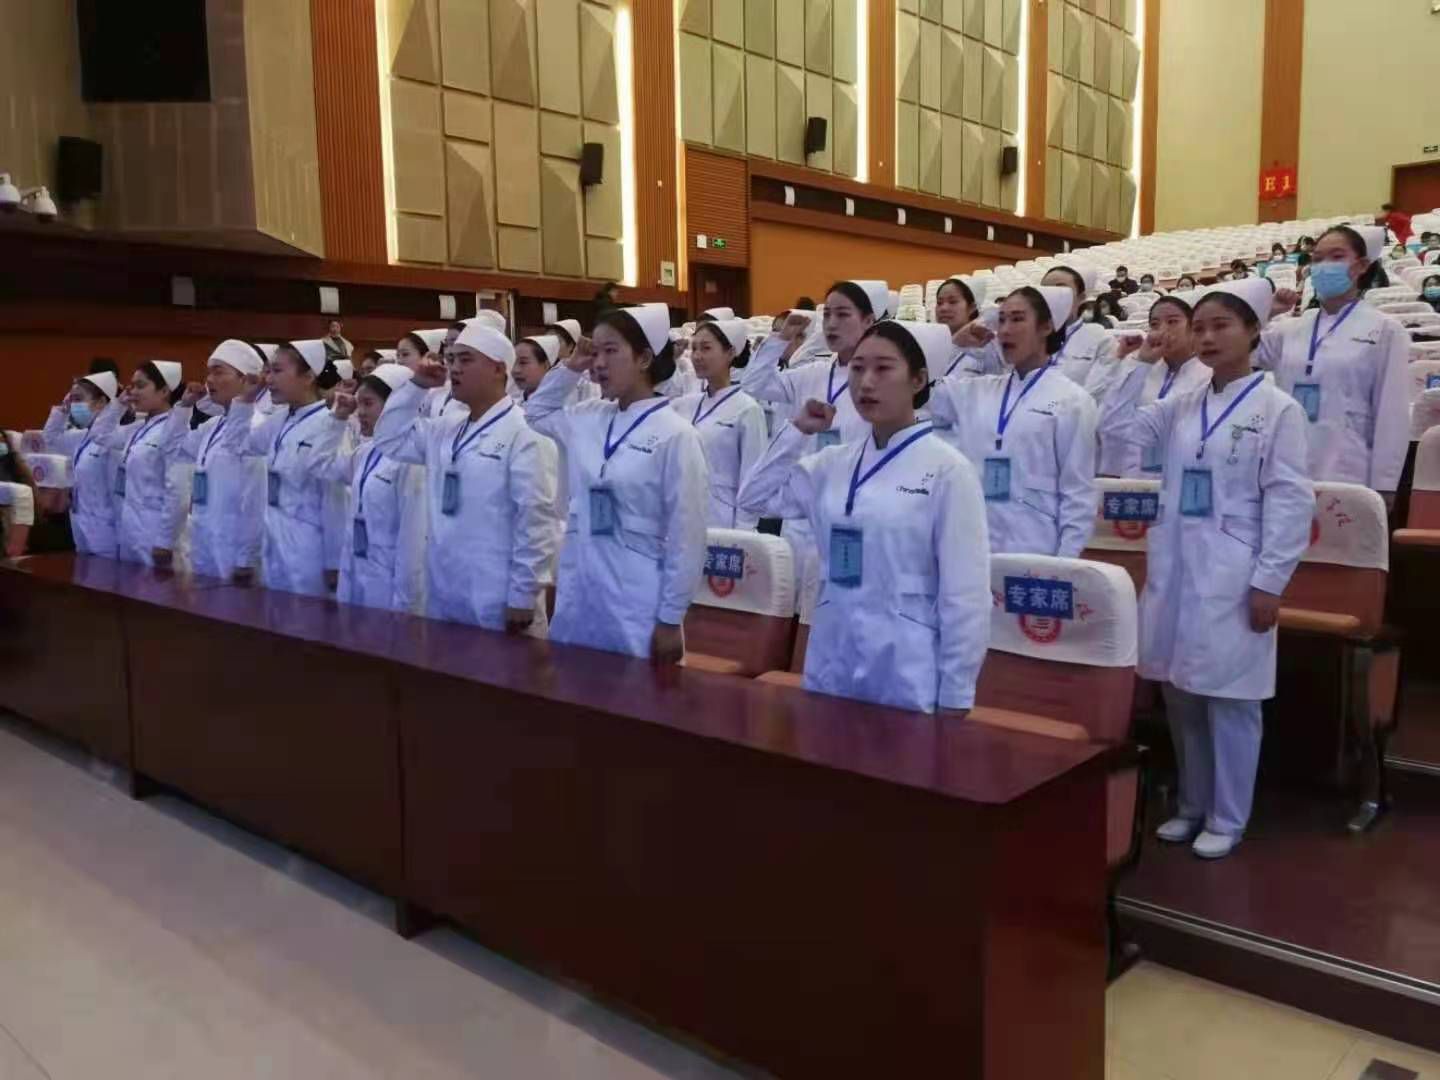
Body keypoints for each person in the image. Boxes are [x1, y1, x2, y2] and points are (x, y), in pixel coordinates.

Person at [1097, 279, 1313, 859]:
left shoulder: (1278, 409)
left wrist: (1270, 581)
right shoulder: (1183, 404)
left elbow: (1290, 500)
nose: (1208, 337)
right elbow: (1115, 429)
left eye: (1222, 326)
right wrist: (1139, 364)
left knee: (1232, 698)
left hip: (1235, 570)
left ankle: (1228, 815)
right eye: (1200, 328)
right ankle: (1192, 805)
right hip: (1177, 562)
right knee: (1181, 692)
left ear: (1253, 332)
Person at [736, 320, 990, 714]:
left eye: (883, 368)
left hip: (904, 667)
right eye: (857, 368)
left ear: (918, 379)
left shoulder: (948, 471)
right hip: (832, 654)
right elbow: (754, 499)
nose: (866, 383)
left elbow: (965, 594)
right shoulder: (832, 463)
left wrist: (957, 693)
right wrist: (797, 431)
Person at [523, 304, 708, 662]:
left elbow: (688, 537)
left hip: (635, 600)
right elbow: (536, 413)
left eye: (611, 351)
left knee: (635, 692)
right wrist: (571, 367)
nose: (599, 363)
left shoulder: (676, 435)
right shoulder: (587, 417)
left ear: (644, 359)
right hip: (580, 591)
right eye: (596, 352)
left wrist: (671, 618)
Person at [372, 327, 561, 633]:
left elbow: (536, 521)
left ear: (498, 369)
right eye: (451, 360)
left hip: (498, 598)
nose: (455, 368)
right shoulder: (445, 429)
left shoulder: (525, 435)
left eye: (466, 360)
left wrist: (523, 594)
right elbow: (389, 438)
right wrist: (417, 386)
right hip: (444, 589)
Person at [740, 280, 888, 612]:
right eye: (828, 315)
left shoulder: (879, 383)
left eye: (843, 314)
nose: (832, 323)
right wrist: (781, 339)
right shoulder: (812, 374)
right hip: (800, 510)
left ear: (868, 321)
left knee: (835, 611)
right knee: (792, 612)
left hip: (850, 516)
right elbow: (753, 384)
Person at [928, 285, 1099, 556]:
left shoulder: (1072, 401)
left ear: (1046, 327)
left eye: (1017, 319)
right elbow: (918, 393)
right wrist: (955, 346)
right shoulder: (976, 391)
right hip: (972, 546)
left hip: (1035, 551)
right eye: (1001, 320)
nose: (1005, 330)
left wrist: (1064, 563)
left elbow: (1077, 494)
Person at [1258, 224, 1409, 498]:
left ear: (1361, 266)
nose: (1324, 266)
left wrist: (1384, 484)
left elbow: (1392, 414)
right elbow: (1242, 354)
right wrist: (1266, 312)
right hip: (1284, 469)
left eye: (1337, 257)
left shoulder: (1386, 330)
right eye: (1317, 259)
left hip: (1347, 470)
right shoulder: (1290, 328)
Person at [229, 340, 349, 597]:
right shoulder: (280, 419)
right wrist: (245, 400)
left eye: (277, 371)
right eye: (268, 371)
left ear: (308, 377)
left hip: (309, 550)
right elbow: (238, 445)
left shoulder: (330, 424)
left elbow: (335, 499)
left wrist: (334, 562)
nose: (268, 379)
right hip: (275, 540)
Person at [318, 364, 428, 614]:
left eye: (368, 404)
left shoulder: (413, 462)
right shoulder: (367, 451)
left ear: (396, 408)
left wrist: (406, 606)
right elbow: (320, 465)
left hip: (388, 586)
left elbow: (412, 544)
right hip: (356, 570)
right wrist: (338, 419)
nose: (360, 413)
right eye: (359, 404)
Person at [168, 341, 268, 584]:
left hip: (233, 549)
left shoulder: (257, 428)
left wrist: (246, 559)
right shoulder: (214, 426)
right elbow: (172, 448)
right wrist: (184, 407)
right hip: (205, 541)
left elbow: (256, 500)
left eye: (219, 372)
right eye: (209, 372)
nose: (209, 380)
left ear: (246, 379)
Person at [89, 360, 189, 569]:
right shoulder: (137, 428)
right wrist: (119, 404)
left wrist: (165, 541)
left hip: (155, 533)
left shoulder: (175, 430)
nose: (133, 391)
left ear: (164, 391)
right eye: (132, 386)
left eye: (140, 386)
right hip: (130, 529)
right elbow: (99, 435)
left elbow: (178, 491)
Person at [670, 318, 768, 529]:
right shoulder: (685, 405)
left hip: (724, 522)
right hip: (684, 515)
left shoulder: (747, 409)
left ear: (730, 353)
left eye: (706, 348)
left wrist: (743, 533)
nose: (697, 356)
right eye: (694, 348)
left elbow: (753, 479)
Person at [1100, 293, 1210, 478]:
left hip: (1183, 477)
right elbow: (1109, 423)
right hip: (1130, 479)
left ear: (1193, 328)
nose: (1162, 331)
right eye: (1155, 324)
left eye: (1172, 322)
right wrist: (1142, 364)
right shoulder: (1138, 366)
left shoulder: (1209, 372)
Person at [41, 371, 120, 556]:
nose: (74, 405)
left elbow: (117, 493)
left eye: (78, 399)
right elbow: (49, 440)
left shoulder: (115, 440)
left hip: (105, 529)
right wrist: (63, 410)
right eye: (72, 399)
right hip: (80, 522)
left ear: (101, 402)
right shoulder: (82, 437)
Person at [1039, 261, 1116, 391]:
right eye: (1045, 291)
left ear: (1081, 297)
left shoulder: (1101, 339)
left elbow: (1097, 392)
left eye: (1061, 290)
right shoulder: (1027, 336)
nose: (1052, 296)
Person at [933, 275, 1003, 378]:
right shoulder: (931, 343)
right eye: (939, 303)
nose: (943, 308)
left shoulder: (987, 345)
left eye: (952, 302)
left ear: (971, 308)